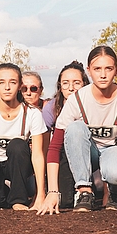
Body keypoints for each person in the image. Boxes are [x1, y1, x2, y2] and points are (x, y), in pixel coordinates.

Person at [40, 46, 117, 214]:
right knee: (74, 128)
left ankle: (115, 192)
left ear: (116, 70)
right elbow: (55, 145)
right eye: (97, 69)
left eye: (108, 68)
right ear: (89, 71)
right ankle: (84, 192)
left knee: (116, 171)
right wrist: (52, 192)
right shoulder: (77, 99)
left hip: (115, 150)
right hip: (87, 153)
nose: (102, 74)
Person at [0, 63, 48, 212]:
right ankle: (4, 190)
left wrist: (40, 195)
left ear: (20, 85)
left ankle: (19, 198)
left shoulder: (33, 114)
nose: (7, 87)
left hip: (19, 164)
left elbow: (38, 155)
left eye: (12, 82)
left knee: (17, 145)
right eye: (2, 82)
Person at [41, 62, 89, 209]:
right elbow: (47, 146)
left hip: (89, 155)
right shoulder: (51, 107)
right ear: (60, 86)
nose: (71, 88)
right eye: (65, 83)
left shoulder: (92, 104)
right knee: (65, 201)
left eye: (76, 83)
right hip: (61, 155)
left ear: (85, 84)